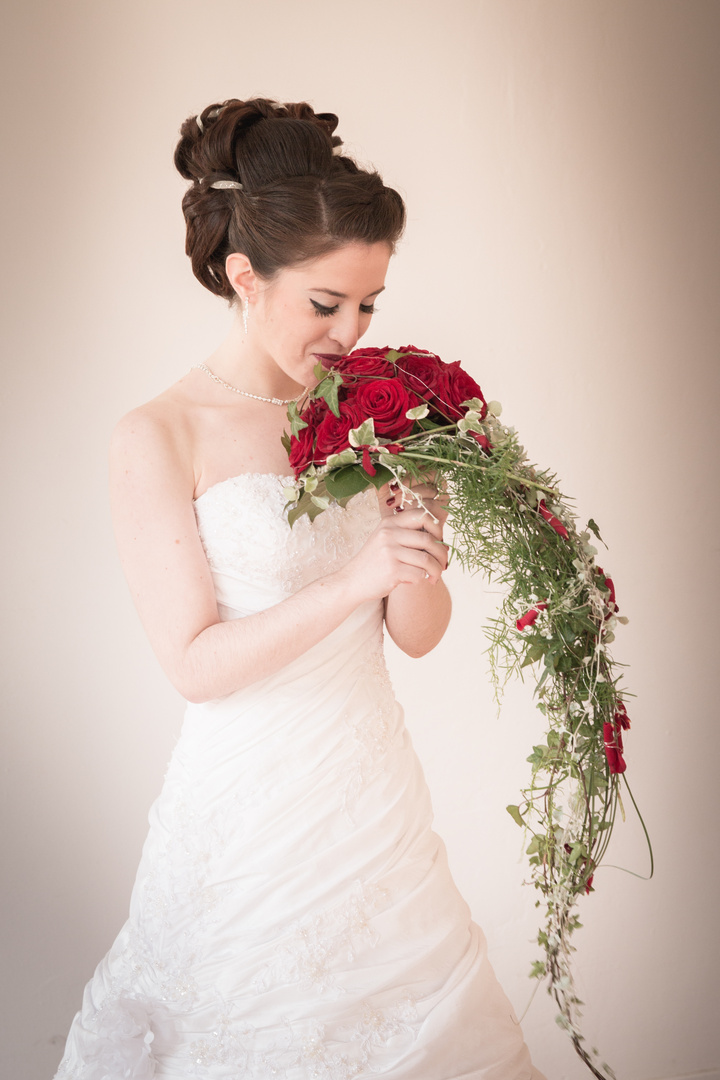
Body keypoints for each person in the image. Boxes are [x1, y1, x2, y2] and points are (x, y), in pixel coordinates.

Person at [54, 98, 544, 1080]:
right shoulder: (160, 435)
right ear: (244, 276)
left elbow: (416, 634)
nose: (351, 330)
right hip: (249, 812)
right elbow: (195, 665)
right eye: (327, 304)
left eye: (370, 303)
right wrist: (358, 574)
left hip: (371, 800)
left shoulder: (375, 412)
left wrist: (417, 548)